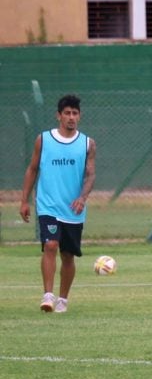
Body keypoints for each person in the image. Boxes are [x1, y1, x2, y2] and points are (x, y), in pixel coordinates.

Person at [19, 94, 96, 314]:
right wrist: (24, 200)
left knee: (68, 255)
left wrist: (82, 197)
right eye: (67, 113)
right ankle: (48, 296)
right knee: (51, 245)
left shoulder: (87, 144)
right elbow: (32, 169)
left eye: (75, 113)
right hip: (48, 205)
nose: (71, 117)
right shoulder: (43, 140)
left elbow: (90, 175)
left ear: (79, 116)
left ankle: (63, 300)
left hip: (73, 209)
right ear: (58, 115)